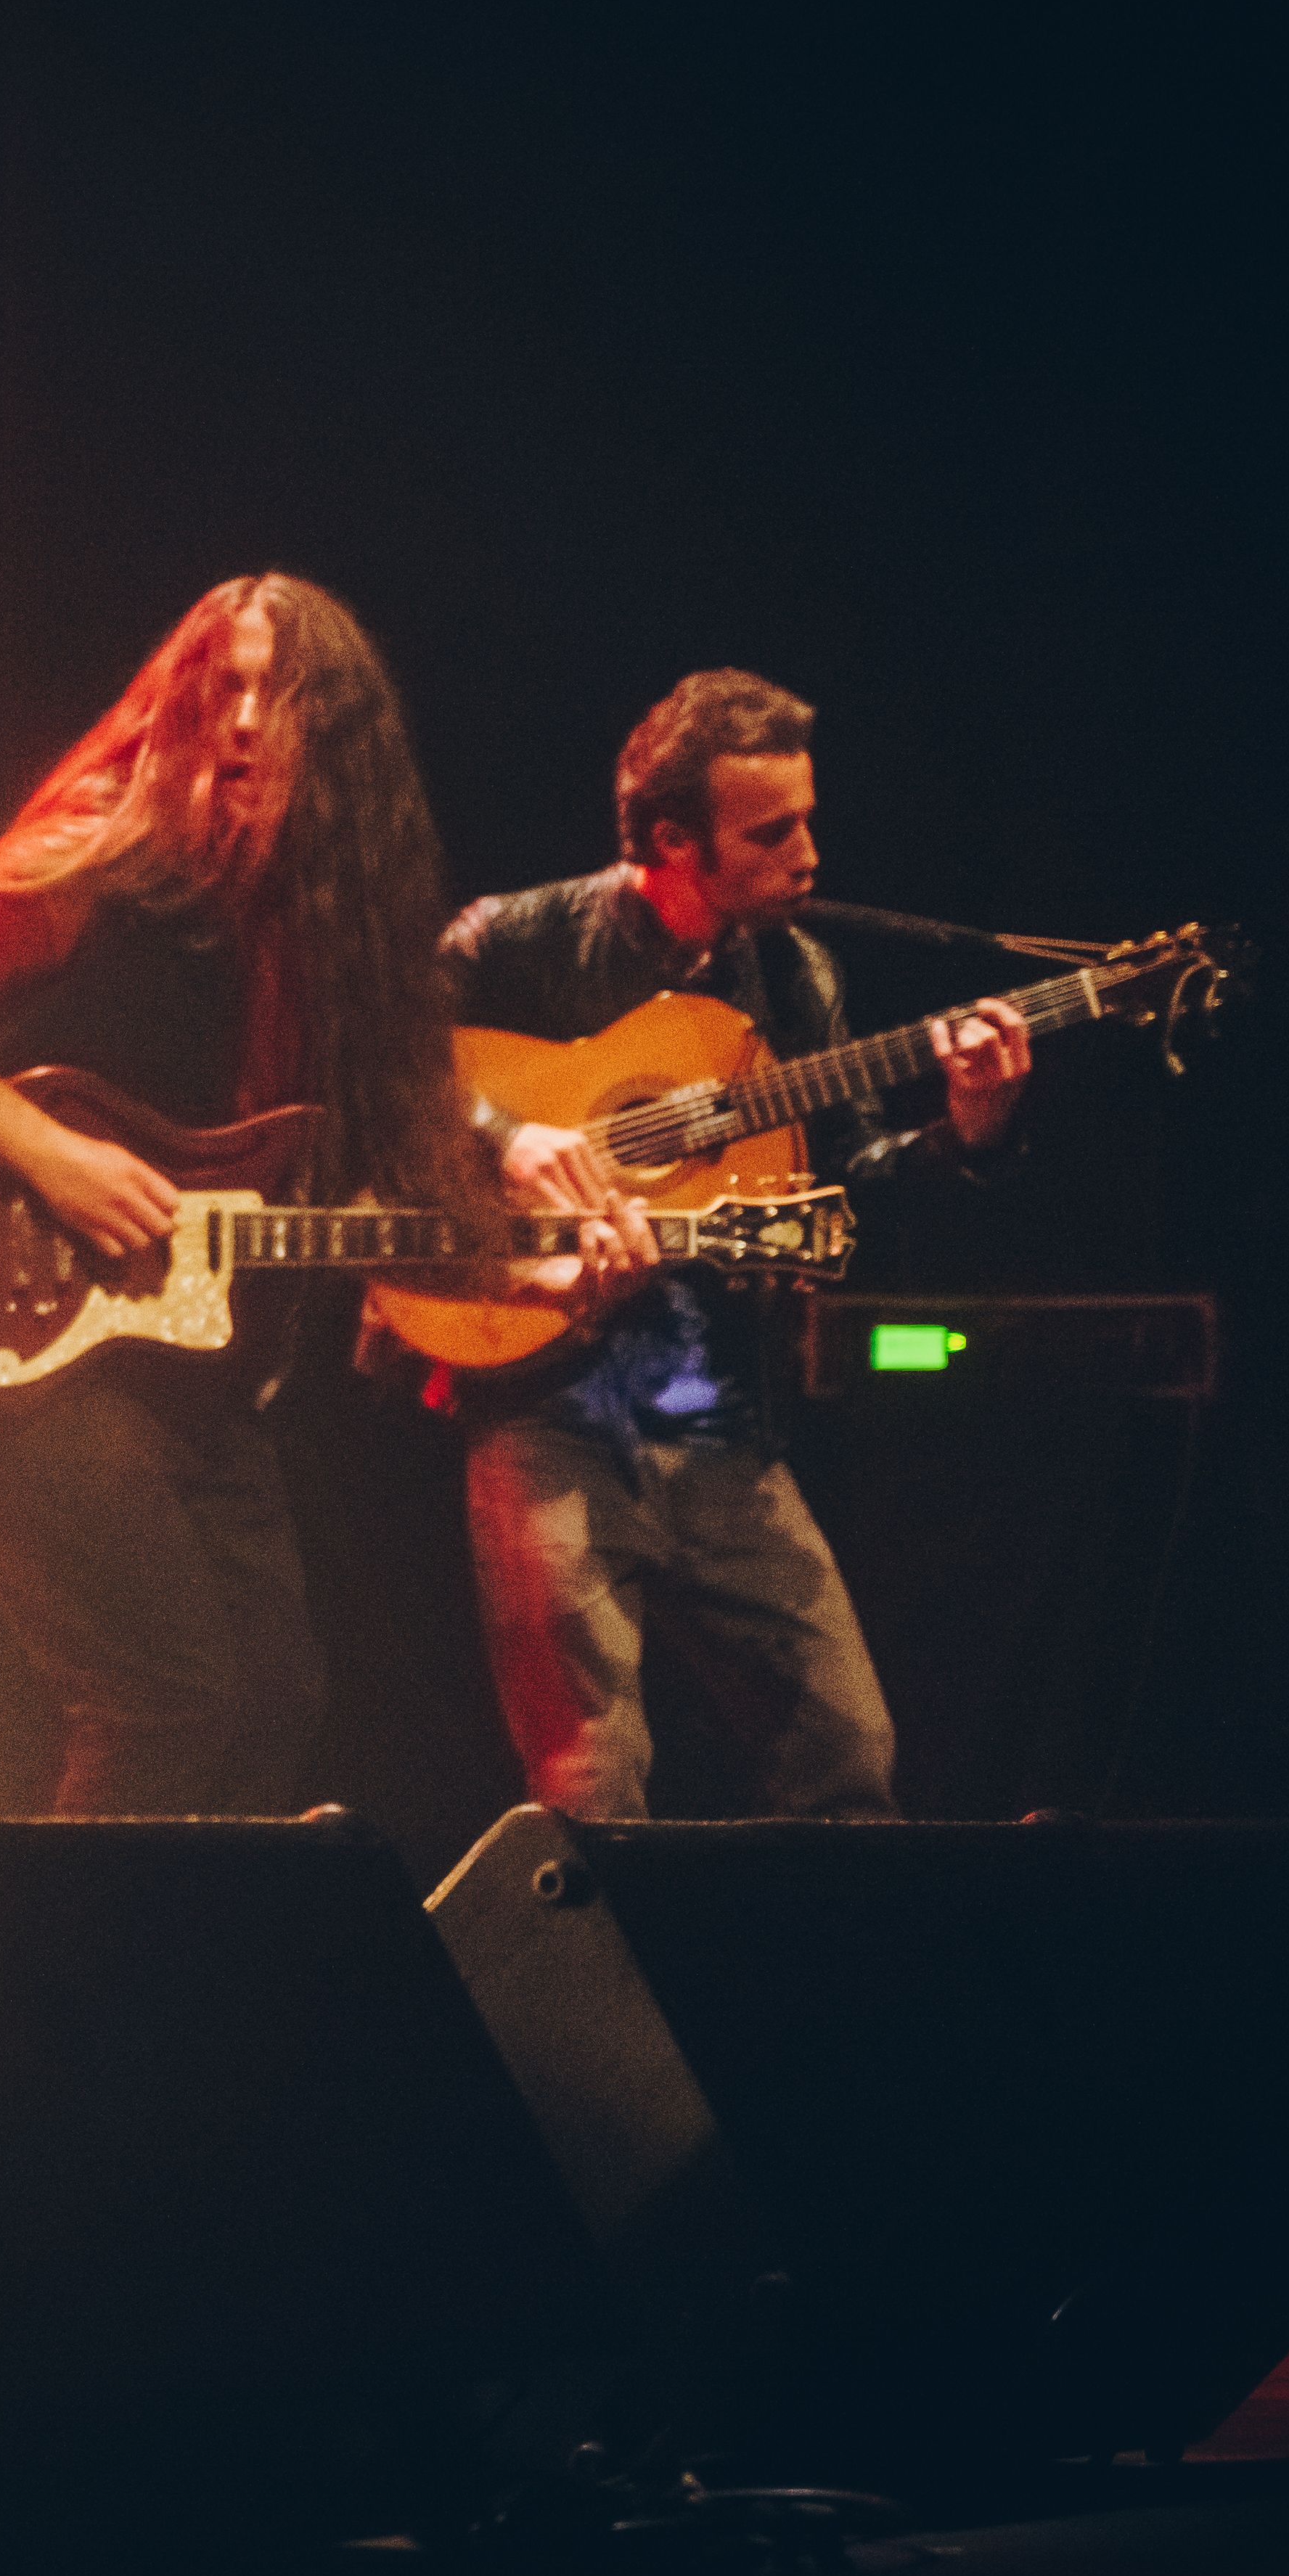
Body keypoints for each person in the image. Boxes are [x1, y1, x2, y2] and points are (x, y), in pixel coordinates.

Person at [0, 577, 637, 1816]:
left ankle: (174, 1990)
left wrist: (534, 1278)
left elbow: (356, 1197)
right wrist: (50, 1154)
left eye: (277, 696)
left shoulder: (330, 938)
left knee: (278, 1703)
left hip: (192, 1366)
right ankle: (64, 2003)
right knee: (167, 1709)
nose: (243, 722)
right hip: (26, 1329)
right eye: (222, 690)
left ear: (339, 738)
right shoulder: (97, 860)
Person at [429, 668, 1028, 1822]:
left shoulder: (796, 975)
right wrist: (506, 1133)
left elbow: (842, 1177)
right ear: (671, 841)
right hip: (542, 1404)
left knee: (850, 1757)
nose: (807, 854)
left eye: (808, 818)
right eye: (771, 831)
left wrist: (969, 1130)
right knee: (591, 1790)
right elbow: (375, 1075)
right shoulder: (513, 941)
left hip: (718, 1419)